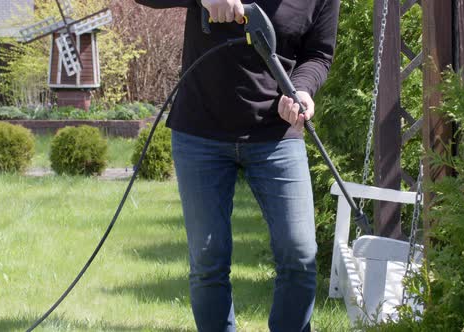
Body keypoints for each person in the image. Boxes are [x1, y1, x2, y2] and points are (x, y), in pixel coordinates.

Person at [133, 0, 340, 331]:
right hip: (200, 133)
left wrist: (302, 89)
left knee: (299, 253)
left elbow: (318, 55)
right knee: (208, 260)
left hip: (277, 135)